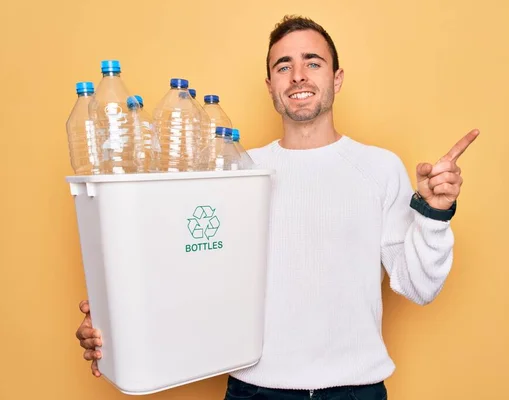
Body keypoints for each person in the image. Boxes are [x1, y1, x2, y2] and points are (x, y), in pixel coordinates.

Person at [76, 15, 478, 399]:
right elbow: (189, 271)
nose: (299, 75)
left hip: (357, 390)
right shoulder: (235, 170)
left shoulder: (380, 168)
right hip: (254, 389)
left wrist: (434, 214)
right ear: (270, 86)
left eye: (313, 63)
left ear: (336, 79)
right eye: (284, 66)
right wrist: (116, 312)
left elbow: (419, 286)